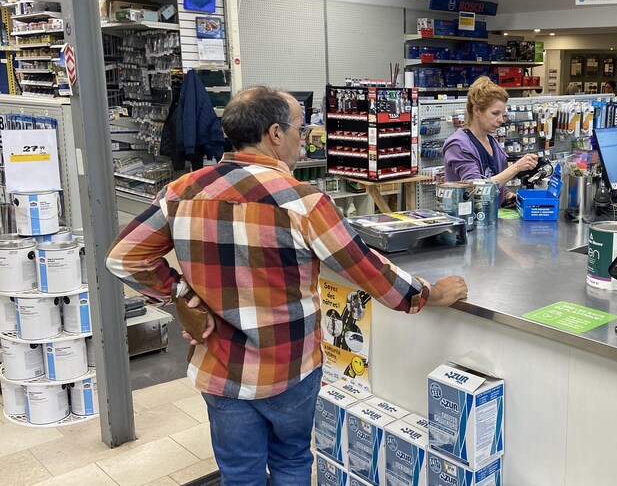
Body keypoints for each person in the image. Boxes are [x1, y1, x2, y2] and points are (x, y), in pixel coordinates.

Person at [106, 86, 467, 485]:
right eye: (301, 127)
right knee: (292, 460)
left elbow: (124, 257)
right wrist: (430, 293)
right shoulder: (303, 202)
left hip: (220, 366)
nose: (304, 137)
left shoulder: (180, 192)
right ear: (275, 133)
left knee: (239, 473)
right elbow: (370, 272)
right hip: (289, 366)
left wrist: (180, 294)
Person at [443, 76, 540, 204]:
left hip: (492, 218)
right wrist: (516, 167)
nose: (501, 119)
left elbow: (498, 181)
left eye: (502, 115)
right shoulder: (458, 145)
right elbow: (475, 188)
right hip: (468, 220)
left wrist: (508, 195)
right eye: (495, 113)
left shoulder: (492, 142)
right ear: (477, 110)